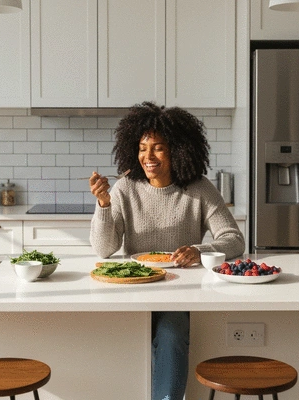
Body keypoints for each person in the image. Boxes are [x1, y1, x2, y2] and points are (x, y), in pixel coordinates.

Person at [89, 101, 245, 400]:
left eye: (158, 147)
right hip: (131, 287)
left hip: (179, 290)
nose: (148, 156)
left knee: (172, 336)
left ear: (178, 149)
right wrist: (104, 205)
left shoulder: (198, 188)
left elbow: (233, 239)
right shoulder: (125, 188)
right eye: (143, 147)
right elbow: (104, 249)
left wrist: (199, 250)